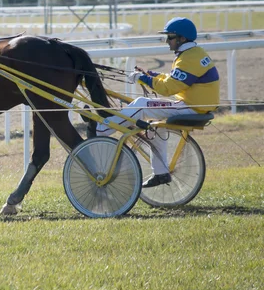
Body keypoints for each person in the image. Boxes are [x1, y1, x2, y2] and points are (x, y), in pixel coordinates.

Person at [88, 17, 220, 187]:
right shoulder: (193, 54)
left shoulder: (188, 59)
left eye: (170, 37)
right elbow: (174, 80)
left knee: (141, 104)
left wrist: (143, 78)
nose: (167, 41)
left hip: (190, 108)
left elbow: (168, 88)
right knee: (154, 130)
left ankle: (101, 129)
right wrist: (151, 75)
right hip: (192, 106)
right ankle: (161, 174)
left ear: (182, 39)